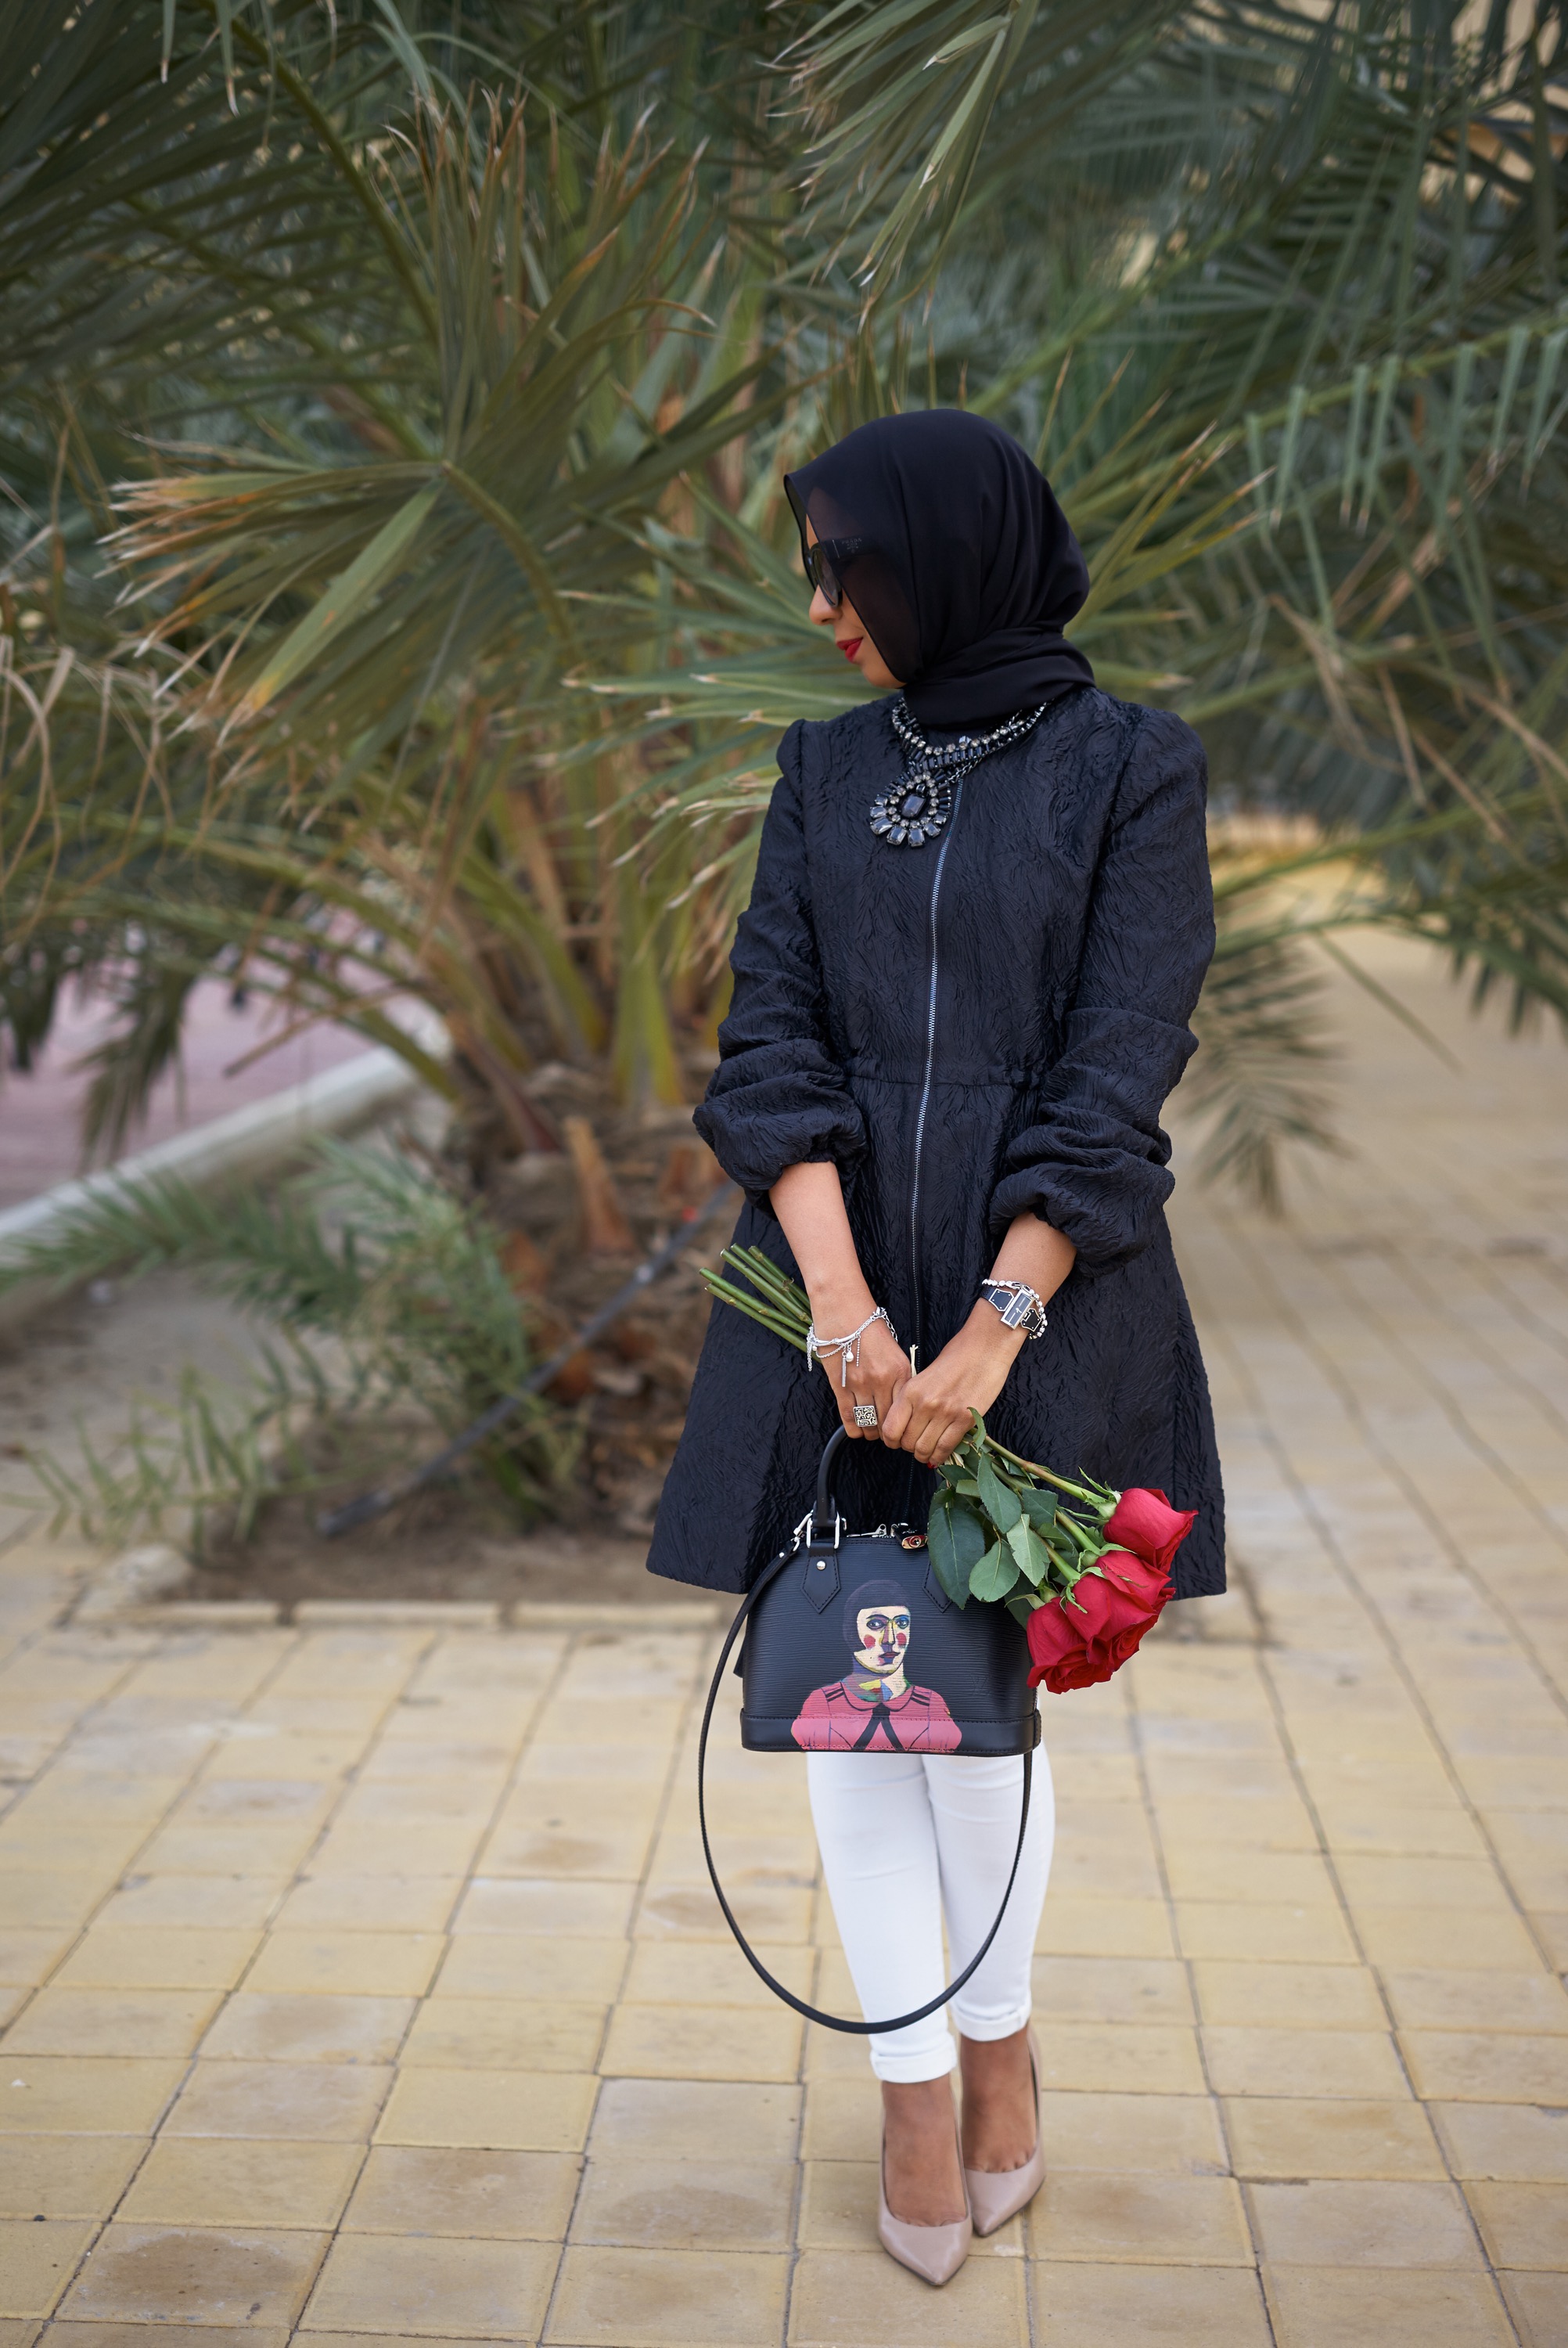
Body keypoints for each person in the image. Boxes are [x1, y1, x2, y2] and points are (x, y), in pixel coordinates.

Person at [648, 408, 1224, 2285]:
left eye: (852, 569)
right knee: (849, 1689)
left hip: (1043, 1286)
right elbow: (771, 1043)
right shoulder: (821, 768)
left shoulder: (1130, 767)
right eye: (814, 570)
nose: (823, 608)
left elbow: (1119, 1066)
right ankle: (910, 2087)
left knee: (975, 1708)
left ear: (954, 559)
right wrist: (839, 1306)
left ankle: (997, 2043)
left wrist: (993, 1326)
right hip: (826, 1290)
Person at [790, 1580, 963, 1753]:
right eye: (875, 1624)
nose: (890, 1639)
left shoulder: (931, 1705)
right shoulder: (822, 1703)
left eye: (902, 1623)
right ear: (850, 1631)